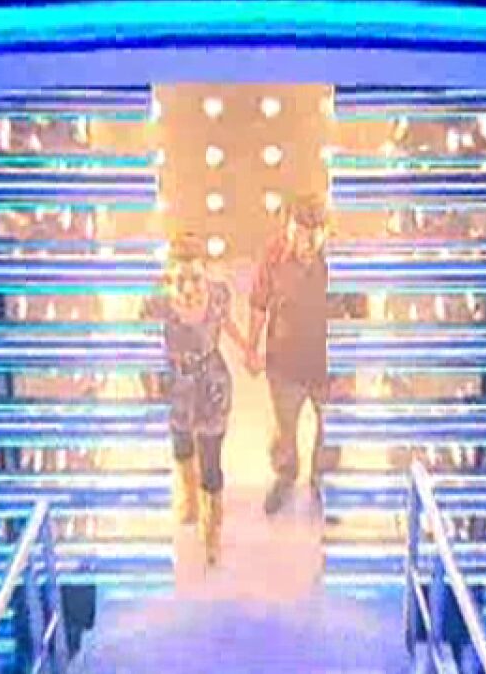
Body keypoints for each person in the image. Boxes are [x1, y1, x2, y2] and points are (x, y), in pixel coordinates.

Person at [140, 232, 249, 565]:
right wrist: (149, 387)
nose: (189, 287)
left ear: (205, 271)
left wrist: (247, 348)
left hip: (210, 382)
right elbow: (146, 346)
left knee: (211, 457)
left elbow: (226, 323)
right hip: (174, 383)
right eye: (180, 278)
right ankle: (188, 499)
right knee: (182, 443)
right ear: (169, 276)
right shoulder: (155, 304)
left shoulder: (218, 296)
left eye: (196, 277)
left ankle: (212, 529)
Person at [245, 194, 342, 515]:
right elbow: (259, 302)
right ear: (289, 228)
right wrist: (251, 347)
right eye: (300, 232)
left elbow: (358, 312)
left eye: (315, 234)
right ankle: (285, 475)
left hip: (329, 364)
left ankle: (322, 479)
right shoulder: (273, 255)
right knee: (284, 428)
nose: (307, 242)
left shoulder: (340, 260)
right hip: (285, 362)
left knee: (331, 426)